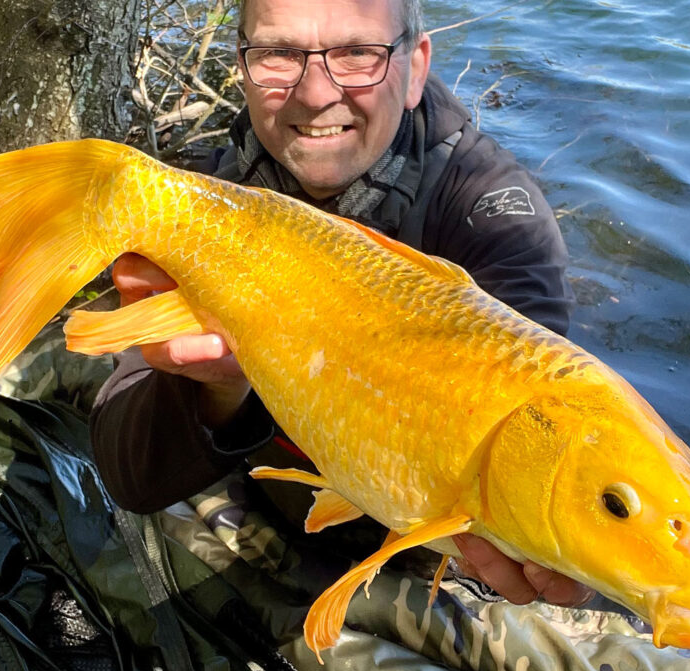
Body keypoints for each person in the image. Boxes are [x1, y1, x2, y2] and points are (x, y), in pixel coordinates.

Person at [91, 0, 587, 610]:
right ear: (242, 67)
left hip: (409, 547)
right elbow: (130, 479)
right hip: (272, 494)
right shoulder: (203, 199)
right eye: (279, 52)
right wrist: (218, 388)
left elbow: (544, 421)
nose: (316, 93)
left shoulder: (492, 218)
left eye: (357, 53)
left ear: (415, 68)